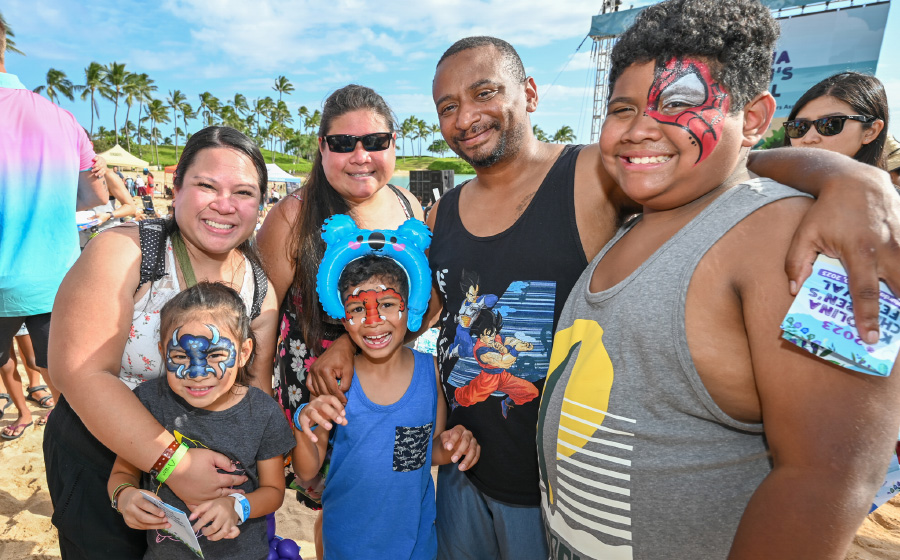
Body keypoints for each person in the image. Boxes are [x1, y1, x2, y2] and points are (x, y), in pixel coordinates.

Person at [310, 34, 900, 559]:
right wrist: (343, 344)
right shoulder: (444, 212)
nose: (467, 116)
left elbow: (707, 161)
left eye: (485, 92)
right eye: (448, 106)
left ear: (531, 93)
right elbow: (420, 312)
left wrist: (848, 176)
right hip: (464, 472)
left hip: (553, 495)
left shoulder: (596, 173)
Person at [539, 2, 900, 558]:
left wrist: (856, 181)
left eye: (677, 104)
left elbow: (833, 475)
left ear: (753, 118)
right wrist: (843, 171)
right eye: (622, 108)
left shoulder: (807, 241)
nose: (638, 130)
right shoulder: (643, 213)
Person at [44, 126, 279, 559]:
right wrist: (174, 463)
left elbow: (256, 394)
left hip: (208, 478)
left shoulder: (258, 289)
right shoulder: (129, 251)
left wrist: (252, 484)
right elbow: (78, 371)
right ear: (176, 188)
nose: (224, 205)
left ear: (261, 204)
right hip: (104, 460)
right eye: (206, 185)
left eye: (243, 192)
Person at [256, 83, 424, 556]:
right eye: (342, 143)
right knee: (336, 502)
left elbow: (424, 308)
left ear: (393, 143)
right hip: (318, 391)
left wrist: (348, 344)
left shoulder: (411, 209)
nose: (360, 155)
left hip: (390, 385)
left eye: (375, 141)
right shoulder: (292, 216)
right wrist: (254, 408)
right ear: (321, 147)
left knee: (387, 495)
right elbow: (261, 322)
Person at [292, 248, 480, 559]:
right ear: (343, 317)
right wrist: (303, 427)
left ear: (411, 308)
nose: (373, 321)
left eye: (388, 305)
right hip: (347, 543)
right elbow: (308, 469)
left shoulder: (431, 374)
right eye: (357, 309)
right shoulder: (335, 381)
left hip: (414, 543)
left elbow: (426, 451)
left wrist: (456, 443)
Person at [109, 282, 294, 559]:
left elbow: (273, 491)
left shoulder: (264, 413)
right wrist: (124, 497)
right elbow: (122, 474)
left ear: (243, 353)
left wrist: (236, 506)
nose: (197, 373)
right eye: (180, 356)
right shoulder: (146, 402)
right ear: (163, 352)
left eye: (216, 355)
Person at [0, 16, 107, 439]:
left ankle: (25, 413)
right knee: (70, 401)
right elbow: (94, 199)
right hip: (55, 279)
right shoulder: (62, 118)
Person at [783, 71, 889, 168]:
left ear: (870, 132)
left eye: (830, 125)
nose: (809, 139)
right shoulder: (770, 186)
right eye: (799, 127)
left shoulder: (884, 189)